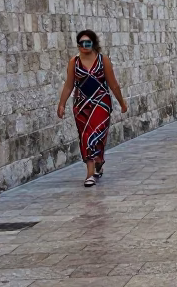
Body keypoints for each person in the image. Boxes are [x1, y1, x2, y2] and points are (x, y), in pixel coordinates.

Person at [55, 30, 128, 187]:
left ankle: (96, 164)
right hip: (81, 105)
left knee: (95, 135)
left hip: (101, 102)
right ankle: (92, 169)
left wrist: (122, 103)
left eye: (87, 43)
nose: (84, 46)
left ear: (93, 43)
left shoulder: (103, 60)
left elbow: (113, 84)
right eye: (81, 43)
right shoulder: (74, 62)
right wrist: (61, 104)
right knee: (85, 136)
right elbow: (69, 85)